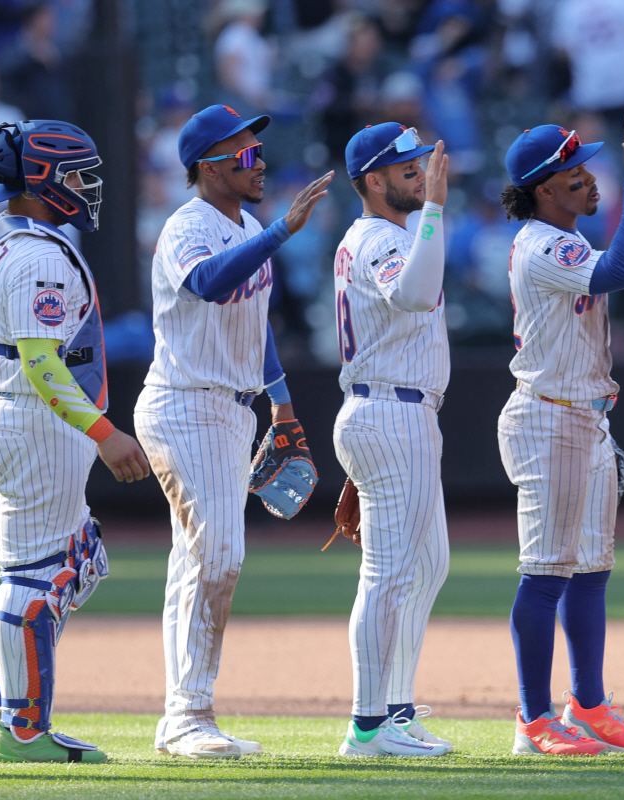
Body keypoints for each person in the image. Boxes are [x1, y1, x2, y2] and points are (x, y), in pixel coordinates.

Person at [134, 104, 333, 759]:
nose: (260, 162)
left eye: (258, 151)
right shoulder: (188, 227)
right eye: (246, 154)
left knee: (199, 557)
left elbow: (255, 325)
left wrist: (281, 404)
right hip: (185, 403)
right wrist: (281, 230)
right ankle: (188, 715)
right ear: (208, 166)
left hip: (233, 407)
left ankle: (185, 715)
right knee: (218, 553)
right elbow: (214, 285)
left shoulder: (245, 224)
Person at [0, 119, 150, 763]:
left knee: (78, 557)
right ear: (42, 179)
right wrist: (105, 434)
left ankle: (1, 701)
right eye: (77, 175)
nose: (88, 187)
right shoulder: (41, 253)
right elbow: (44, 364)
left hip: (8, 410)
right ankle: (22, 729)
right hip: (38, 421)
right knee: (37, 577)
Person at [498, 113, 624, 756]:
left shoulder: (561, 238)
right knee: (545, 574)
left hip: (584, 415)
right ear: (544, 187)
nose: (590, 179)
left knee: (591, 569)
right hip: (549, 417)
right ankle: (532, 720)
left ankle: (588, 704)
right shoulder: (544, 243)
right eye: (575, 171)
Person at [331, 122, 453, 758]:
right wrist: (433, 207)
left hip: (399, 410)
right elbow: (415, 291)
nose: (418, 173)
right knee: (386, 575)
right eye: (405, 168)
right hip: (388, 408)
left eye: (418, 166)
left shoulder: (391, 234)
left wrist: (429, 214)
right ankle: (368, 725)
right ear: (372, 181)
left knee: (428, 565)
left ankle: (395, 710)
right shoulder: (380, 237)